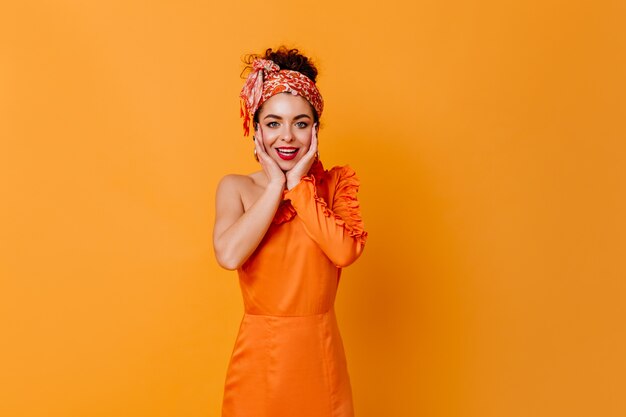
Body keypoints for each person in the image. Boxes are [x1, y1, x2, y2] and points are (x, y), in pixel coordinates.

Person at [213, 46, 368, 417]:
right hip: (257, 365)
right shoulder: (235, 187)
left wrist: (298, 186)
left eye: (300, 123)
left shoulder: (335, 185)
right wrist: (273, 187)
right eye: (273, 123)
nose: (287, 137)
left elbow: (344, 253)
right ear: (256, 128)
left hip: (320, 361)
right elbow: (229, 254)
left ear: (315, 130)